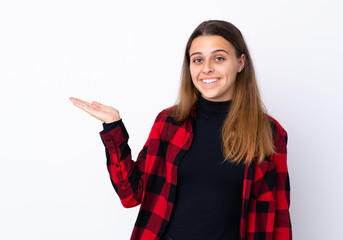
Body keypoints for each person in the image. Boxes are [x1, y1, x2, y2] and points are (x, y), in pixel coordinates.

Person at [70, 20, 292, 240]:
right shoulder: (169, 123)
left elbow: (280, 218)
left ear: (240, 63)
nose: (207, 68)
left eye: (219, 58)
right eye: (197, 60)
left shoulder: (269, 133)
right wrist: (113, 125)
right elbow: (130, 194)